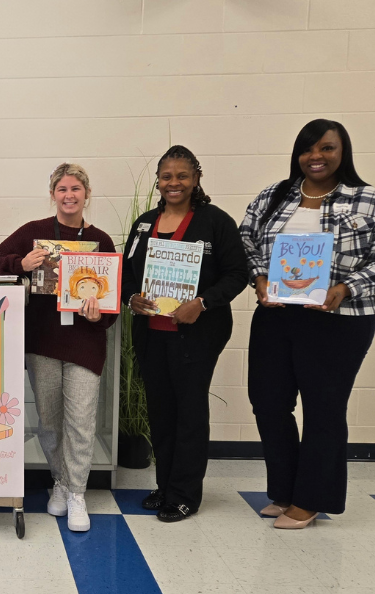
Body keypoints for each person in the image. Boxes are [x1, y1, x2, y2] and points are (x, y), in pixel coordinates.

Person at [240, 120, 375, 529]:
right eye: (309, 149)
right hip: (276, 316)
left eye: (327, 148)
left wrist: (347, 287)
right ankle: (285, 491)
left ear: (342, 152)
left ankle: (311, 500)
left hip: (339, 321)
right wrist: (258, 278)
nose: (317, 156)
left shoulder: (370, 202)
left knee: (324, 408)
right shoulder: (275, 197)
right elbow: (246, 241)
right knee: (268, 402)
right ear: (297, 153)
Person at [0, 163, 117, 532]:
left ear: (87, 194)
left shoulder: (101, 241)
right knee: (49, 420)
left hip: (85, 345)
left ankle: (77, 494)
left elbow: (112, 304)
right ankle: (60, 481)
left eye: (76, 189)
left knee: (81, 421)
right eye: (62, 189)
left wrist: (98, 316)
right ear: (53, 194)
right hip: (42, 343)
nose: (69, 195)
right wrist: (20, 263)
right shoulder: (34, 233)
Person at [121, 145, 248, 522]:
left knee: (189, 412)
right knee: (161, 411)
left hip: (196, 334)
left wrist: (202, 303)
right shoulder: (145, 222)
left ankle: (185, 495)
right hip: (151, 332)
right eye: (166, 176)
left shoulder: (215, 222)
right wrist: (132, 297)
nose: (173, 183)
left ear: (196, 179)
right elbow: (127, 272)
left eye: (182, 176)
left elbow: (237, 274)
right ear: (158, 181)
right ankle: (165, 486)